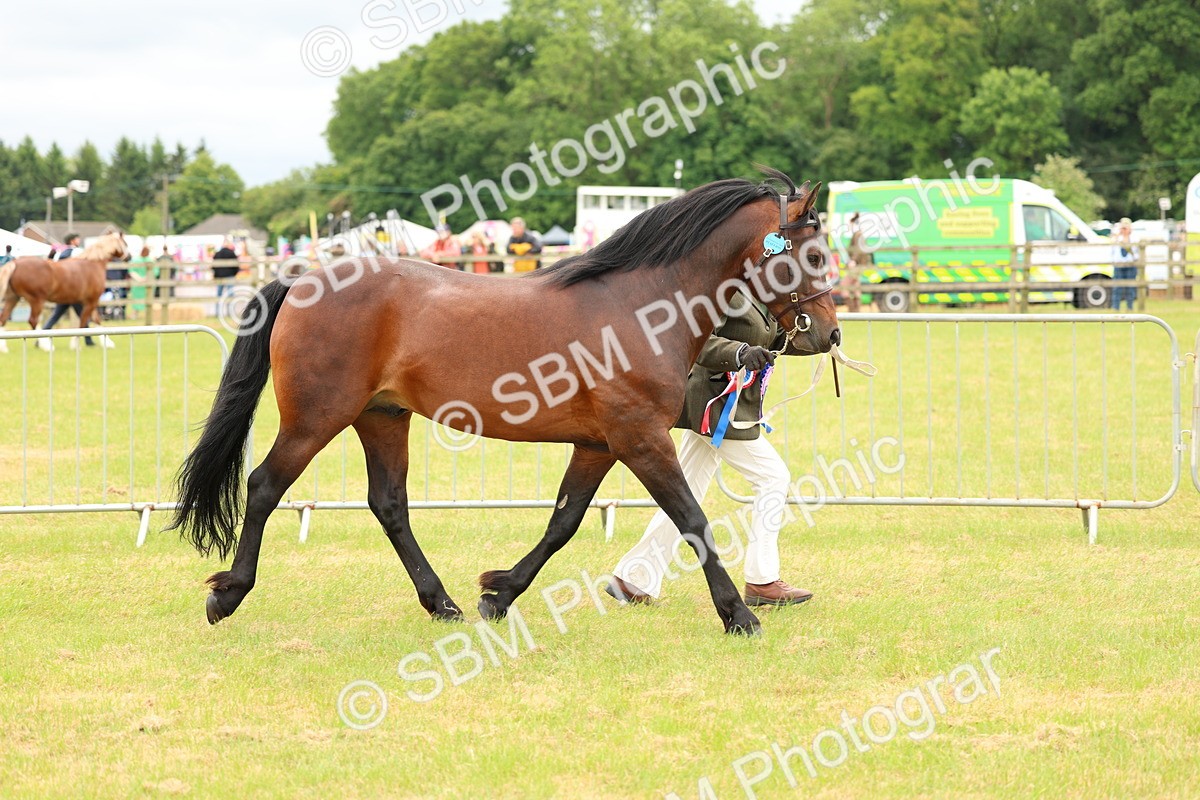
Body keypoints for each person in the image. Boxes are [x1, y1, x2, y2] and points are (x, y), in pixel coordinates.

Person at [607, 288, 813, 608]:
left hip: (733, 406)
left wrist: (821, 338)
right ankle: (762, 580)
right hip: (713, 404)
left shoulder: (766, 294)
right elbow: (698, 342)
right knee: (774, 478)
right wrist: (741, 352)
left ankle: (633, 578)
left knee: (684, 493)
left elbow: (775, 340)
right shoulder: (727, 291)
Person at [43, 234, 91, 342]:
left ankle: (41, 337)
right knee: (82, 315)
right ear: (72, 241)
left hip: (64, 290)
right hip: (72, 291)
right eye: (77, 239)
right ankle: (89, 340)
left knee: (56, 315)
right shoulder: (76, 252)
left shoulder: (60, 253)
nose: (79, 240)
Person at [845, 213, 870, 312]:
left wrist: (853, 260)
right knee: (856, 288)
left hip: (857, 264)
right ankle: (856, 311)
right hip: (860, 264)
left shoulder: (858, 234)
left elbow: (858, 249)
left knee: (844, 286)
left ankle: (852, 311)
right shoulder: (858, 234)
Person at [1111, 218, 1137, 311]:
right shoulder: (1116, 238)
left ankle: (1130, 307)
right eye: (1123, 228)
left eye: (1126, 228)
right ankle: (1115, 307)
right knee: (1117, 287)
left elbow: (1136, 253)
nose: (1124, 230)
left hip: (1130, 265)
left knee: (1130, 287)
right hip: (1119, 264)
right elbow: (1112, 250)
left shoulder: (1134, 238)